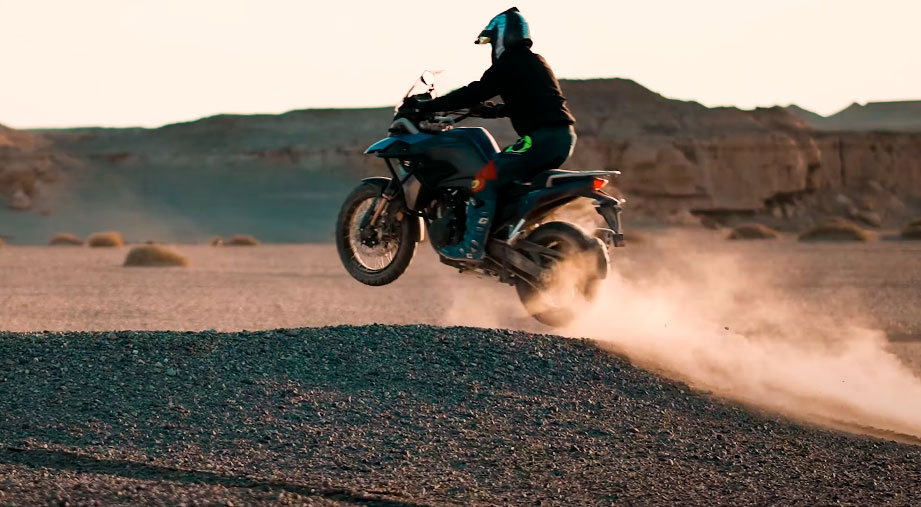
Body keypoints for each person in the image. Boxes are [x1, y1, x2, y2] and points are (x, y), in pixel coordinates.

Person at [407, 6, 577, 262]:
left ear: (502, 37)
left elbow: (475, 91)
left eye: (491, 41)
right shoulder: (535, 62)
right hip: (562, 137)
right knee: (509, 184)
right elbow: (532, 101)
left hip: (539, 140)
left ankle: (471, 247)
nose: (490, 49)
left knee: (483, 179)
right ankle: (509, 235)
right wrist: (492, 111)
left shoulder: (509, 63)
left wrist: (429, 106)